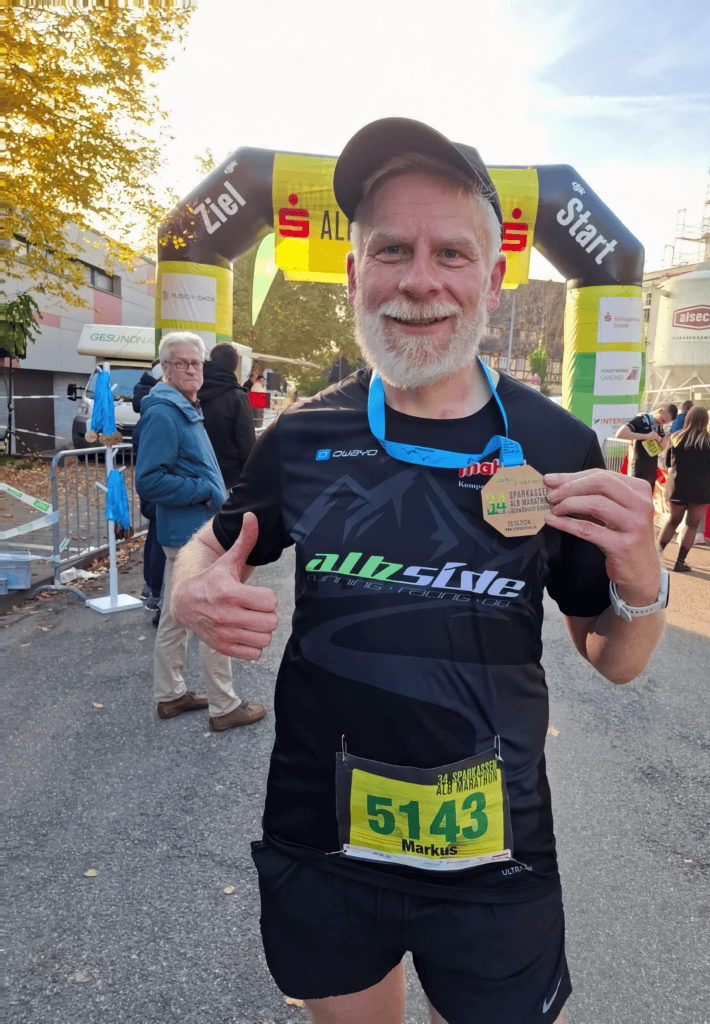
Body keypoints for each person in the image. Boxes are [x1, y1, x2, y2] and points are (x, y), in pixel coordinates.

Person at [169, 118, 667, 1024]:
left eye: (452, 252)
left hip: (495, 850)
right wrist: (190, 583)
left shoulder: (554, 443)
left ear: (494, 277)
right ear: (356, 273)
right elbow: (217, 539)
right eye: (391, 249)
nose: (420, 279)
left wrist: (642, 581)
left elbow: (614, 653)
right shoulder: (304, 436)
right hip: (324, 832)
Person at [135, 331, 267, 731]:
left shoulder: (181, 404)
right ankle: (224, 706)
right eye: (181, 363)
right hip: (190, 536)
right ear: (166, 368)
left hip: (190, 532)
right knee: (215, 613)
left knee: (176, 618)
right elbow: (149, 481)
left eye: (197, 363)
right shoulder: (164, 411)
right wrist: (206, 492)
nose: (192, 370)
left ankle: (170, 695)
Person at [657, 407, 710, 572]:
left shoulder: (675, 438)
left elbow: (667, 463)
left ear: (688, 419)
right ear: (705, 421)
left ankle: (655, 557)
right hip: (701, 489)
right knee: (691, 526)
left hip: (678, 486)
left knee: (673, 521)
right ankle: (680, 562)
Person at [132, 360, 166, 615]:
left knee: (155, 537)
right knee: (159, 539)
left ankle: (153, 589)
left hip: (154, 485)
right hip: (159, 486)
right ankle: (156, 591)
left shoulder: (148, 402)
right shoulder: (158, 409)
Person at [198, 343, 256, 490]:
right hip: (228, 479)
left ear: (210, 360)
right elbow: (247, 444)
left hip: (195, 477)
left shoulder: (192, 390)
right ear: (235, 368)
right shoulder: (237, 397)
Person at [616, 404, 677, 492]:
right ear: (660, 410)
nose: (662, 423)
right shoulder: (643, 419)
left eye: (665, 423)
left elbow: (663, 447)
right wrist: (646, 436)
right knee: (636, 501)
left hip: (651, 472)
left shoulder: (659, 427)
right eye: (663, 420)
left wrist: (660, 439)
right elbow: (620, 434)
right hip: (638, 471)